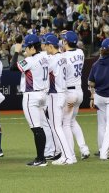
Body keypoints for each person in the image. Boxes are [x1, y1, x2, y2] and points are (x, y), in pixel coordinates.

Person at [18, 33, 51, 166]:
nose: (25, 50)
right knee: (41, 127)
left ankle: (40, 158)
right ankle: (45, 155)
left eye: (27, 47)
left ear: (32, 47)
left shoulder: (30, 60)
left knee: (36, 128)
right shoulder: (44, 57)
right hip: (43, 94)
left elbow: (15, 67)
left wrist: (16, 52)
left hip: (31, 95)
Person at [43, 34, 75, 165]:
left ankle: (68, 157)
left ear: (51, 46)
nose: (45, 48)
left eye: (46, 45)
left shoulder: (52, 59)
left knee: (57, 127)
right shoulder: (62, 57)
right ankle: (67, 156)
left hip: (55, 94)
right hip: (63, 92)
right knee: (59, 126)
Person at [61, 31, 90, 159]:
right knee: (72, 121)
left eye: (63, 40)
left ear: (66, 42)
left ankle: (70, 154)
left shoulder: (63, 56)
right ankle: (84, 149)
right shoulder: (80, 53)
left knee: (65, 123)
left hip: (69, 93)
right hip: (79, 91)